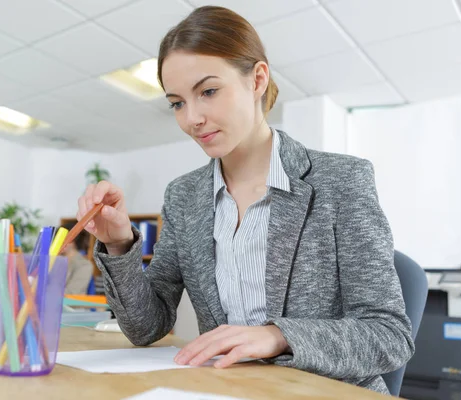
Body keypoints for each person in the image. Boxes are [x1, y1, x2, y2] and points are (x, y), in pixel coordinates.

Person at [76, 6, 413, 395]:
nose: (192, 119)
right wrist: (119, 244)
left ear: (257, 79)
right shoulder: (184, 196)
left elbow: (389, 336)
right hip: (230, 389)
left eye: (208, 91)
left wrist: (278, 336)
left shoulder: (341, 181)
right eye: (177, 102)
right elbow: (147, 327)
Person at [61, 228, 93, 295]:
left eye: (61, 239)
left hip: (69, 304)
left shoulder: (84, 265)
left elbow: (72, 293)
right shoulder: (54, 260)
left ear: (72, 241)